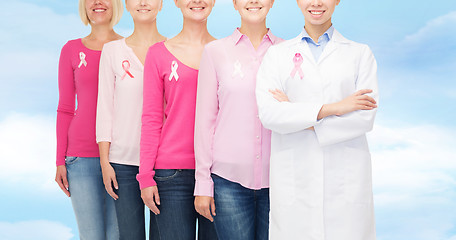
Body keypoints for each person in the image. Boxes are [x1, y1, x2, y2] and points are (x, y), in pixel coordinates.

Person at [255, 0, 378, 239]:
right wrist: (335, 108)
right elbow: (270, 114)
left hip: (345, 182)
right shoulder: (277, 55)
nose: (316, 3)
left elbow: (364, 117)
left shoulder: (360, 53)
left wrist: (296, 113)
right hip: (295, 181)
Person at [193, 0, 282, 239]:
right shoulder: (215, 52)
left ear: (272, 2)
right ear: (234, 3)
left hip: (280, 181)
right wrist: (202, 183)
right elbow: (204, 121)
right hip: (228, 182)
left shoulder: (287, 53)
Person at [137, 0, 218, 239]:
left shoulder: (224, 52)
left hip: (217, 172)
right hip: (171, 174)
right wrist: (145, 176)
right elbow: (151, 118)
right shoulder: (158, 53)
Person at [96, 0, 166, 239]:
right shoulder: (112, 51)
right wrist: (105, 163)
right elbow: (105, 108)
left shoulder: (173, 49)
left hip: (164, 163)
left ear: (162, 4)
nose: (143, 3)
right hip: (122, 164)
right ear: (126, 4)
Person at [54, 0, 123, 239]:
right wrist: (59, 160)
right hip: (80, 159)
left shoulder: (128, 48)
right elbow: (65, 108)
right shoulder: (71, 50)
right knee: (91, 235)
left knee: (118, 235)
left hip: (121, 157)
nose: (97, 3)